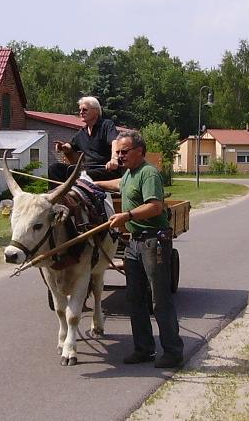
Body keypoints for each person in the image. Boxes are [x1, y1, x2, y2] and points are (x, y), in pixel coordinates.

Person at [95, 131, 184, 368]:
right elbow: (118, 184)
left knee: (159, 300)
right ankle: (144, 349)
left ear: (139, 151)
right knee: (135, 298)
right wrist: (91, 183)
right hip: (134, 243)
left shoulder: (149, 173)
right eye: (118, 152)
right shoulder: (129, 175)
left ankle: (173, 352)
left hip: (153, 242)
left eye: (125, 152)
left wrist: (128, 215)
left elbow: (155, 206)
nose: (120, 156)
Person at [48, 96, 123, 186]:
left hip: (106, 169)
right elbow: (71, 146)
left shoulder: (106, 125)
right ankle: (58, 197)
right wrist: (63, 147)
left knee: (80, 175)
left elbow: (115, 142)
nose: (81, 112)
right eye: (80, 110)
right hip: (87, 171)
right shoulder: (82, 132)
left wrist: (114, 159)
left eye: (84, 110)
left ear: (95, 111)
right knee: (54, 168)